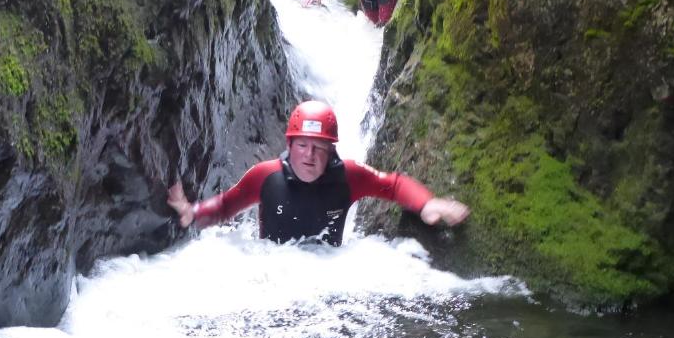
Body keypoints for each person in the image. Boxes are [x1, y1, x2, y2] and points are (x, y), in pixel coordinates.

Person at [167, 100, 469, 246]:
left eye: (319, 148)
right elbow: (225, 206)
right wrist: (192, 212)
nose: (309, 155)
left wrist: (426, 203)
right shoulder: (266, 176)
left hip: (327, 277)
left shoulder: (348, 176)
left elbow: (393, 185)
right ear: (289, 145)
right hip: (271, 274)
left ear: (331, 151)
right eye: (302, 145)